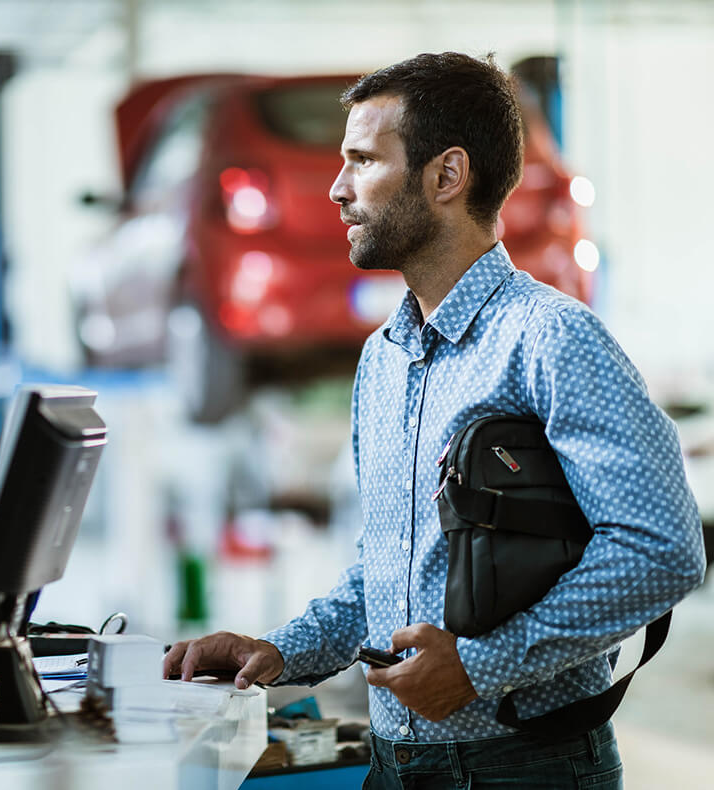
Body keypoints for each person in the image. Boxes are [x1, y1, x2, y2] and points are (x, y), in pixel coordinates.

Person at [164, 52, 705, 788]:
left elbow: (662, 550)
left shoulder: (551, 340)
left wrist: (479, 668)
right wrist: (281, 652)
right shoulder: (382, 359)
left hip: (527, 768)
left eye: (362, 161)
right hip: (396, 765)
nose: (337, 187)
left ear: (447, 176)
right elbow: (387, 576)